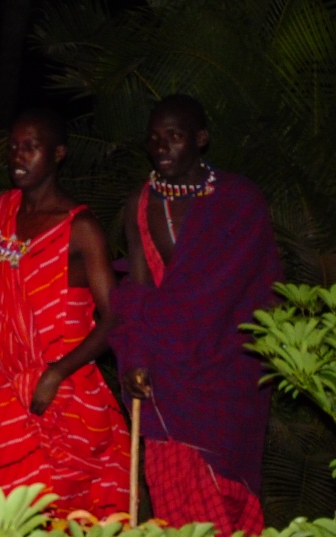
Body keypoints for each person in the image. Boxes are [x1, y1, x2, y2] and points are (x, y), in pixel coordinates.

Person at [109, 94, 282, 535]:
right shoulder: (140, 203)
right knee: (178, 500)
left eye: (174, 136)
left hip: (229, 374)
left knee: (228, 497)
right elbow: (139, 289)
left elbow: (264, 291)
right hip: (166, 370)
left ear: (200, 139)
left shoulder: (240, 200)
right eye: (154, 138)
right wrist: (135, 358)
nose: (161, 147)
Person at [0, 109, 131, 518]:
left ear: (58, 154)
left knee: (66, 514)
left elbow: (115, 318)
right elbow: (0, 296)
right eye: (14, 147)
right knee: (13, 515)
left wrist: (55, 373)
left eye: (31, 147)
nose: (18, 156)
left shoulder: (80, 227)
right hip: (7, 390)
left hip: (65, 392)